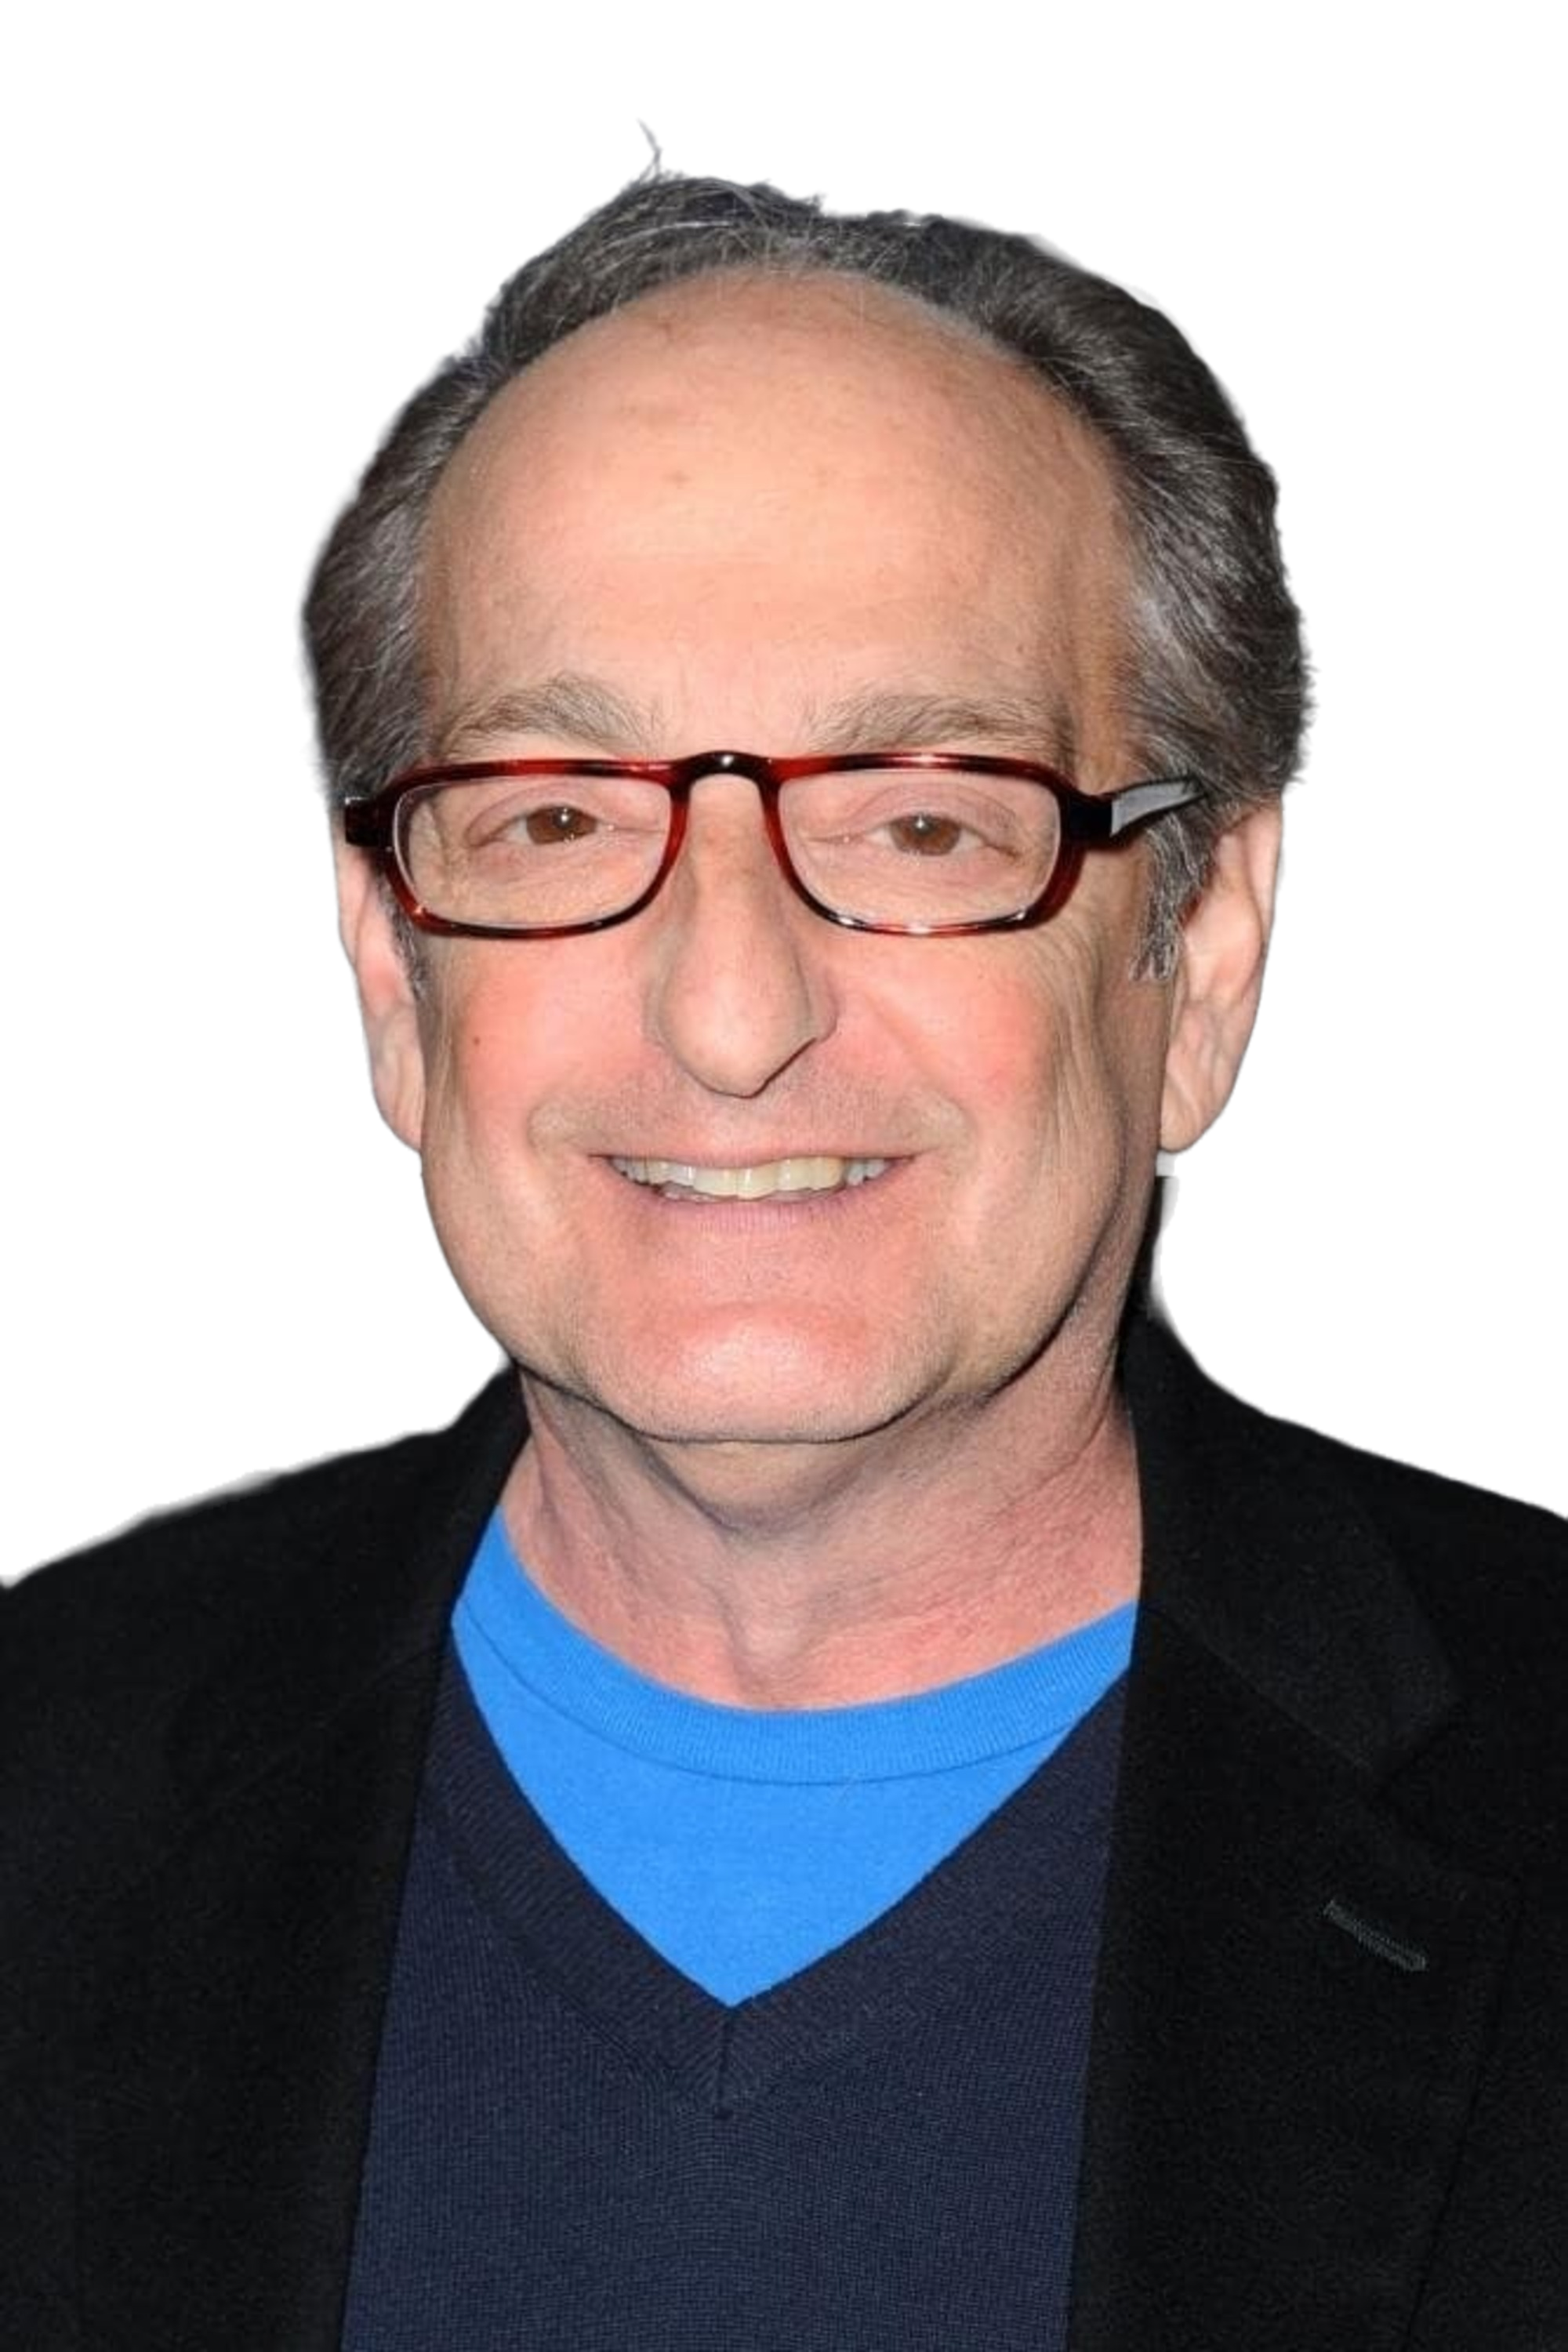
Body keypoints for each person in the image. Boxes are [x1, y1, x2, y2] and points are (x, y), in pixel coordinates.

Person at [4, 169, 1562, 2352]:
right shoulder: (38, 1765)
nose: (732, 1013)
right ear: (388, 970)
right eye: (556, 815)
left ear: (1200, 951)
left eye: (921, 817)